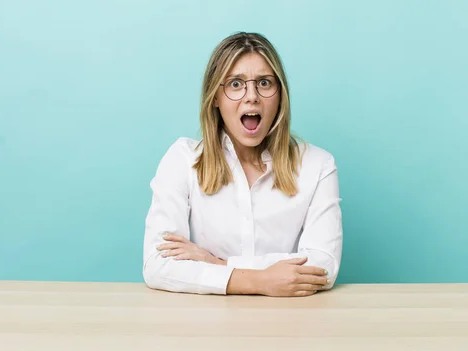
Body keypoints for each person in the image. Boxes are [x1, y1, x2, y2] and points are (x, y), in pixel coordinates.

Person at [142, 32, 343, 297]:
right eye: (236, 84)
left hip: (290, 325)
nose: (252, 97)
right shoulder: (182, 159)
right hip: (206, 327)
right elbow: (158, 266)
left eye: (264, 82)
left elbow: (322, 267)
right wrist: (260, 281)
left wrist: (219, 264)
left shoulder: (318, 165)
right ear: (215, 96)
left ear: (280, 94)